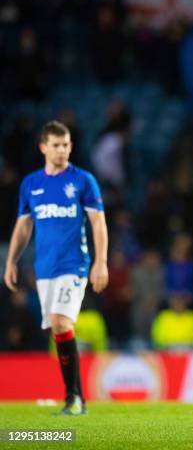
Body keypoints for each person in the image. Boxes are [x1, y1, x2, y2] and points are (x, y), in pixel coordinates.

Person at [3, 121, 109, 415]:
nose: (62, 150)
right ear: (43, 147)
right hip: (45, 268)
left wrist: (100, 262)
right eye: (56, 145)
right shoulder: (31, 184)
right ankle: (77, 399)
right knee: (57, 329)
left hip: (74, 264)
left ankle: (73, 398)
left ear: (70, 146)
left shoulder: (83, 180)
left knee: (62, 323)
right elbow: (24, 226)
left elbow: (98, 222)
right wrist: (11, 260)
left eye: (66, 145)